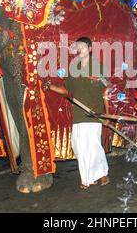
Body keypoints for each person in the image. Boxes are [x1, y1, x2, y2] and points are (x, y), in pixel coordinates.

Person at [48, 37, 111, 189]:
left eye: (83, 47)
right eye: (77, 47)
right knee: (79, 147)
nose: (79, 49)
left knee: (93, 146)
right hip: (78, 115)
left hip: (94, 114)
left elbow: (106, 91)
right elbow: (67, 92)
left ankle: (102, 176)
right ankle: (89, 178)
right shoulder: (73, 69)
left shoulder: (98, 67)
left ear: (90, 49)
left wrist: (106, 114)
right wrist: (50, 87)